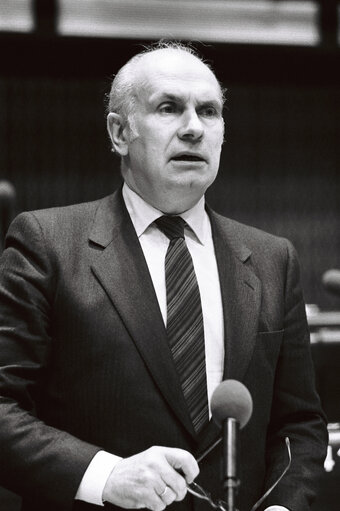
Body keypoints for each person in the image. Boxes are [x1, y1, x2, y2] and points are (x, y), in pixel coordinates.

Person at [0, 42, 327, 511]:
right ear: (118, 132)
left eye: (209, 111)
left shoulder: (275, 258)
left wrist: (283, 507)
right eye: (169, 108)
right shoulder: (47, 243)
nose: (194, 128)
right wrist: (106, 474)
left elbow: (300, 426)